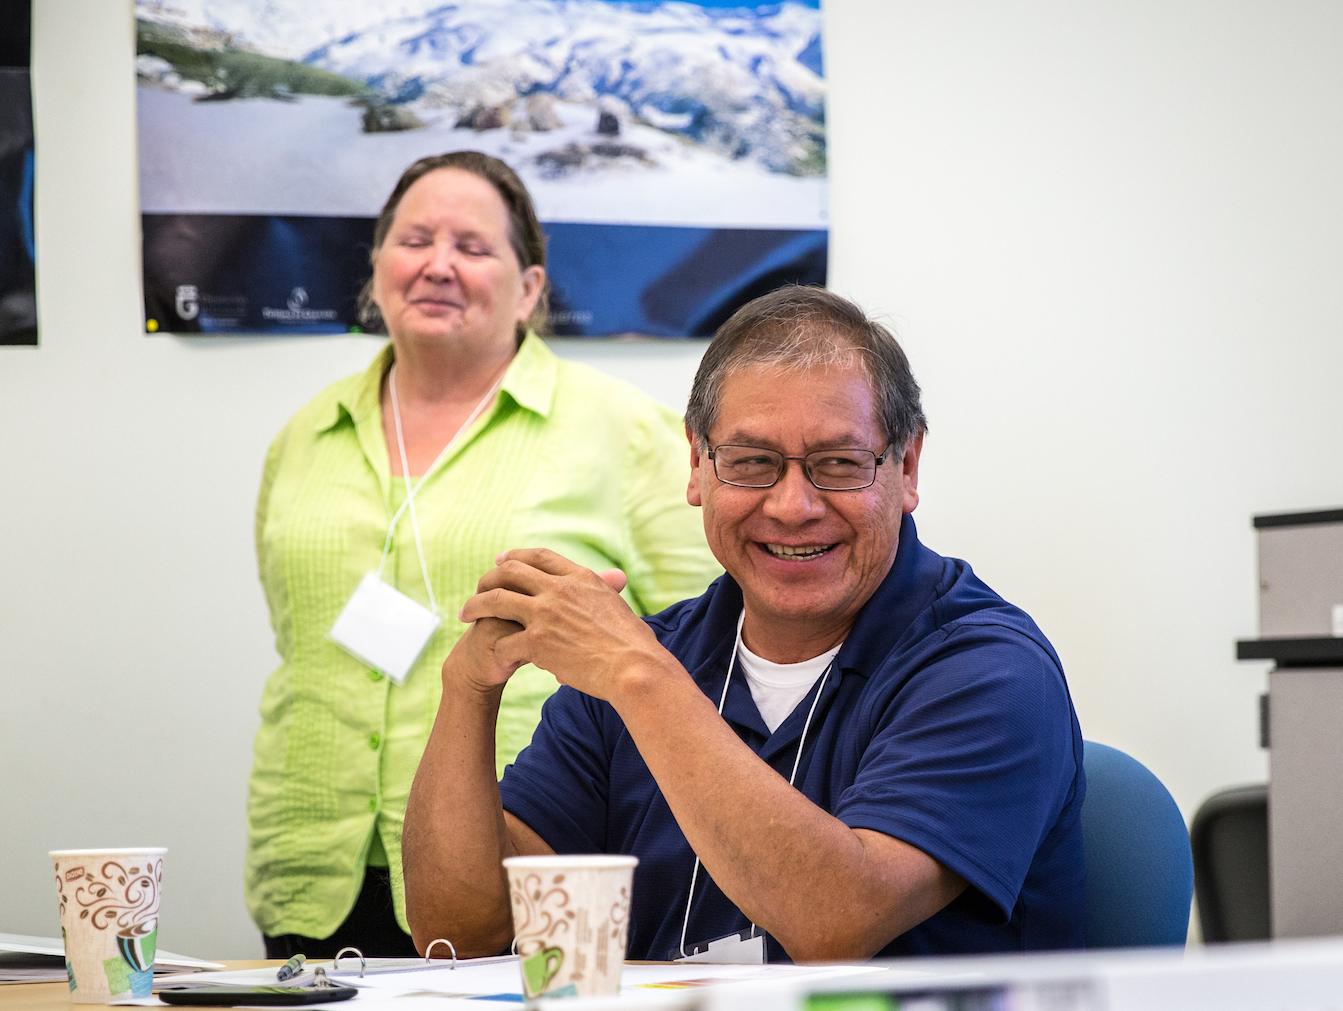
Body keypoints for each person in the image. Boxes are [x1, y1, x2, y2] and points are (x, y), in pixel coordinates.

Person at [402, 286, 1086, 962]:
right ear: (698, 464)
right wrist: (467, 688)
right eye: (753, 462)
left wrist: (638, 676)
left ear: (906, 467)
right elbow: (460, 932)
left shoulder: (989, 668)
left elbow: (835, 923)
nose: (792, 505)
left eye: (839, 464)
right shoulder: (651, 655)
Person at [248, 152, 718, 960]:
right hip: (311, 863)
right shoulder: (305, 434)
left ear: (530, 288)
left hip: (524, 862)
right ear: (377, 266)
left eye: (472, 246)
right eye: (414, 240)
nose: (437, 265)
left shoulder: (628, 432)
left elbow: (706, 656)